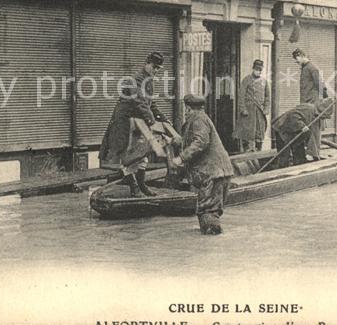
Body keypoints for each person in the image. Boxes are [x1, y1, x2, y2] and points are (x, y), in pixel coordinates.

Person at [99, 51, 167, 197]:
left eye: (158, 69)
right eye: (154, 67)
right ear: (147, 63)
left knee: (141, 153)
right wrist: (152, 122)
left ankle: (141, 185)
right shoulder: (134, 80)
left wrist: (164, 118)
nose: (155, 71)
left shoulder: (148, 81)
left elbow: (150, 104)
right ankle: (134, 187)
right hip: (125, 122)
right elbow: (140, 103)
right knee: (127, 155)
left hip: (138, 123)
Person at [172, 94, 233, 235]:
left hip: (212, 173)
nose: (185, 112)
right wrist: (176, 141)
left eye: (185, 109)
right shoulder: (201, 118)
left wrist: (181, 158)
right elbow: (195, 140)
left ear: (188, 109)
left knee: (208, 211)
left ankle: (209, 251)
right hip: (218, 172)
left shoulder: (198, 120)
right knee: (210, 211)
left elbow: (200, 142)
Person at [272, 98, 334, 169]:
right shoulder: (308, 108)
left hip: (296, 134)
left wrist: (314, 154)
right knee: (284, 156)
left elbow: (315, 137)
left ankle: (298, 170)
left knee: (300, 156)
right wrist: (302, 126)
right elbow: (292, 115)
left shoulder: (317, 118)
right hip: (283, 129)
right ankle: (281, 173)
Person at [292, 48, 329, 160]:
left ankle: (314, 154)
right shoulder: (304, 68)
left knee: (314, 128)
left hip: (312, 104)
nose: (296, 61)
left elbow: (320, 84)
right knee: (308, 127)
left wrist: (324, 98)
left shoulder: (312, 68)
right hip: (306, 103)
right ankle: (312, 152)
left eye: (297, 59)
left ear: (302, 55)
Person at [234, 59, 270, 152]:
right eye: (256, 69)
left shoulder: (264, 82)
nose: (258, 71)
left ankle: (258, 150)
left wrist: (266, 109)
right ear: (253, 69)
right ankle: (247, 150)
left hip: (259, 110)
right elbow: (241, 95)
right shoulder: (246, 80)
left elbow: (267, 97)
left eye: (260, 70)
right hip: (248, 111)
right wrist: (243, 109)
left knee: (259, 131)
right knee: (247, 132)